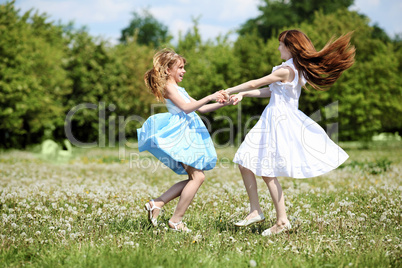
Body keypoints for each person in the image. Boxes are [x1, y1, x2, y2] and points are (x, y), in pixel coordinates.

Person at [225, 29, 355, 236]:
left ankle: (277, 219)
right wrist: (243, 94)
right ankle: (259, 212)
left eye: (280, 44)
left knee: (264, 169)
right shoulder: (294, 69)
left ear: (290, 47)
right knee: (246, 161)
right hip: (274, 118)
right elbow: (270, 91)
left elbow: (255, 82)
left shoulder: (286, 70)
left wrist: (229, 90)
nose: (278, 48)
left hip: (278, 121)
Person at [137, 48, 231, 232]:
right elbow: (187, 108)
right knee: (198, 177)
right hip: (181, 135)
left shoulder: (179, 88)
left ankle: (156, 204)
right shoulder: (168, 88)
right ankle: (175, 220)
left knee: (194, 177)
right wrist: (210, 96)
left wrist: (224, 102)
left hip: (188, 132)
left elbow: (201, 109)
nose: (184, 71)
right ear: (167, 70)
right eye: (180, 67)